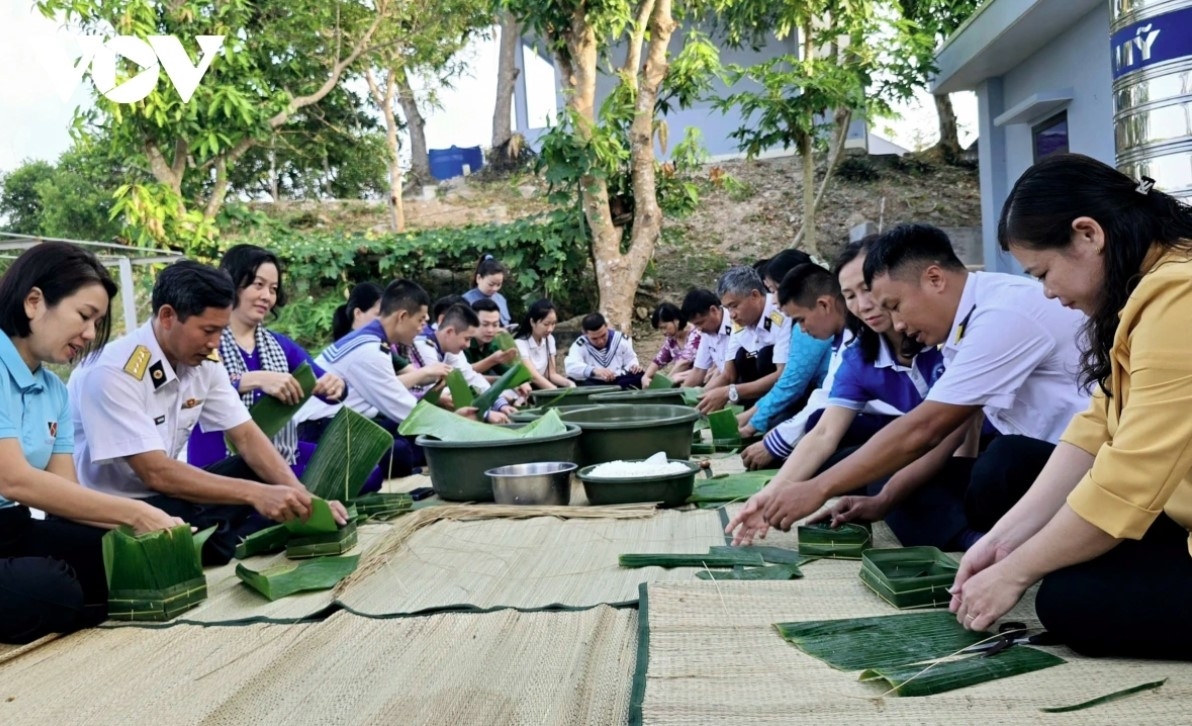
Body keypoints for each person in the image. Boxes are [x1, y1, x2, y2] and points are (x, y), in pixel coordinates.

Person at [948, 154, 1192, 659]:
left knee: (1069, 602)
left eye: (1044, 272)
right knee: (1009, 466)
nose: (1047, 292)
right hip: (1172, 501)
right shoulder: (1151, 287)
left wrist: (1017, 571)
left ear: (1088, 234)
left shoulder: (1181, 299)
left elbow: (1128, 480)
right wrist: (1000, 542)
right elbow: (1097, 426)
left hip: (1163, 497)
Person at [728, 223, 1088, 544]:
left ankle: (996, 543)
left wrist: (817, 489)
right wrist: (878, 500)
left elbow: (931, 429)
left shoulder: (995, 318)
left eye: (890, 302)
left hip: (1073, 460)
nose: (882, 315)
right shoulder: (949, 331)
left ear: (932, 279)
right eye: (850, 295)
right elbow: (937, 433)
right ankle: (984, 539)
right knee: (892, 483)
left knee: (1000, 462)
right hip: (1052, 456)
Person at [70, 261, 347, 567]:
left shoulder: (203, 362)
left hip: (170, 497)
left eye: (221, 331)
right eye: (207, 330)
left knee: (254, 470)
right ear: (167, 316)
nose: (215, 343)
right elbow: (156, 472)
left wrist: (305, 499)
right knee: (215, 542)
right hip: (117, 508)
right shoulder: (114, 372)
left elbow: (246, 435)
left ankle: (216, 533)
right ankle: (213, 536)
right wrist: (256, 494)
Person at [0, 243, 183, 643]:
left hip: (10, 527)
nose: (89, 334)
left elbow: (65, 495)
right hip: (10, 512)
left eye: (96, 322)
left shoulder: (53, 390)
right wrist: (135, 514)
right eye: (84, 316)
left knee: (109, 558)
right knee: (52, 589)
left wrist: (150, 529)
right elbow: (12, 480)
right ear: (34, 301)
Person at [187, 245, 345, 474]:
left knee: (365, 471)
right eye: (258, 285)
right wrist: (251, 379)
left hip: (280, 451)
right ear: (231, 283)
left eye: (273, 289)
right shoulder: (208, 340)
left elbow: (326, 387)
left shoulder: (279, 345)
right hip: (220, 461)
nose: (266, 296)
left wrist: (335, 386)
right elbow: (194, 393)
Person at [742, 256, 901, 471]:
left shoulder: (862, 334)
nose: (862, 306)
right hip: (858, 413)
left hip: (887, 420)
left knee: (811, 450)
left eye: (801, 320)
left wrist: (774, 440)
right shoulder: (846, 336)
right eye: (850, 295)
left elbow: (809, 390)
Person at [313, 279, 468, 478]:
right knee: (401, 452)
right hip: (322, 431)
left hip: (346, 424)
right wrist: (459, 423)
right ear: (402, 316)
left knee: (408, 441)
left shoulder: (374, 343)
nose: (423, 328)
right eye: (420, 320)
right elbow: (408, 413)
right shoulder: (369, 350)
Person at [738, 252, 835, 436]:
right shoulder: (802, 320)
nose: (773, 299)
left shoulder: (809, 324)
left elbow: (791, 382)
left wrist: (752, 424)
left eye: (775, 290)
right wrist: (751, 415)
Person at [696, 267, 791, 413]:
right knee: (743, 356)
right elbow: (728, 374)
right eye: (727, 308)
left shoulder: (781, 314)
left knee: (765, 355)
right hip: (755, 358)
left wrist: (730, 392)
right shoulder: (740, 322)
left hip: (787, 381)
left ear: (755, 295)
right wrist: (698, 399)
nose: (732, 315)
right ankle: (751, 407)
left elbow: (783, 374)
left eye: (734, 306)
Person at [414, 303, 515, 422]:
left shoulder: (450, 349)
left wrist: (500, 404)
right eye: (467, 339)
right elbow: (441, 394)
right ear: (450, 332)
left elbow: (471, 377)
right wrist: (485, 414)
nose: (467, 345)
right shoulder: (425, 348)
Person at [564, 313, 643, 388]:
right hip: (594, 382)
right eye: (594, 338)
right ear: (585, 333)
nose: (600, 341)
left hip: (619, 379)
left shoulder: (620, 339)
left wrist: (633, 366)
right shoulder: (580, 344)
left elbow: (631, 359)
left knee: (641, 376)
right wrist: (594, 371)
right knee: (571, 381)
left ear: (607, 327)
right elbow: (571, 367)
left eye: (603, 335)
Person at [515, 299, 573, 390]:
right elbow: (533, 377)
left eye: (553, 324)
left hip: (543, 387)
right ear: (532, 322)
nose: (550, 329)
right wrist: (555, 392)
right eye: (546, 324)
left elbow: (551, 374)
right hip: (524, 390)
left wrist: (569, 384)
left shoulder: (549, 339)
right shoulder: (520, 344)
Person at [640, 302, 701, 388]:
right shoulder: (672, 339)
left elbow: (685, 362)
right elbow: (659, 360)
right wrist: (646, 376)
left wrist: (666, 381)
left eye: (664, 327)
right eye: (660, 329)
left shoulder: (696, 334)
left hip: (701, 377)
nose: (663, 332)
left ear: (676, 321)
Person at [681, 288, 733, 387]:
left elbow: (729, 374)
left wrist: (704, 394)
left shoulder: (735, 322)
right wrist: (682, 393)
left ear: (713, 310)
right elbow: (699, 370)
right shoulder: (707, 333)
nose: (699, 329)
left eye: (700, 323)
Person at [466, 297, 520, 382]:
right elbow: (462, 374)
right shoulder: (461, 343)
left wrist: (519, 381)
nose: (490, 330)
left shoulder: (495, 342)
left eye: (495, 325)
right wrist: (492, 360)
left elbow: (509, 371)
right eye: (485, 324)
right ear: (471, 322)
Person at [462, 255, 512, 327]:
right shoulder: (465, 300)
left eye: (498, 285)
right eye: (491, 284)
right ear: (479, 278)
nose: (495, 288)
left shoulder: (501, 299)